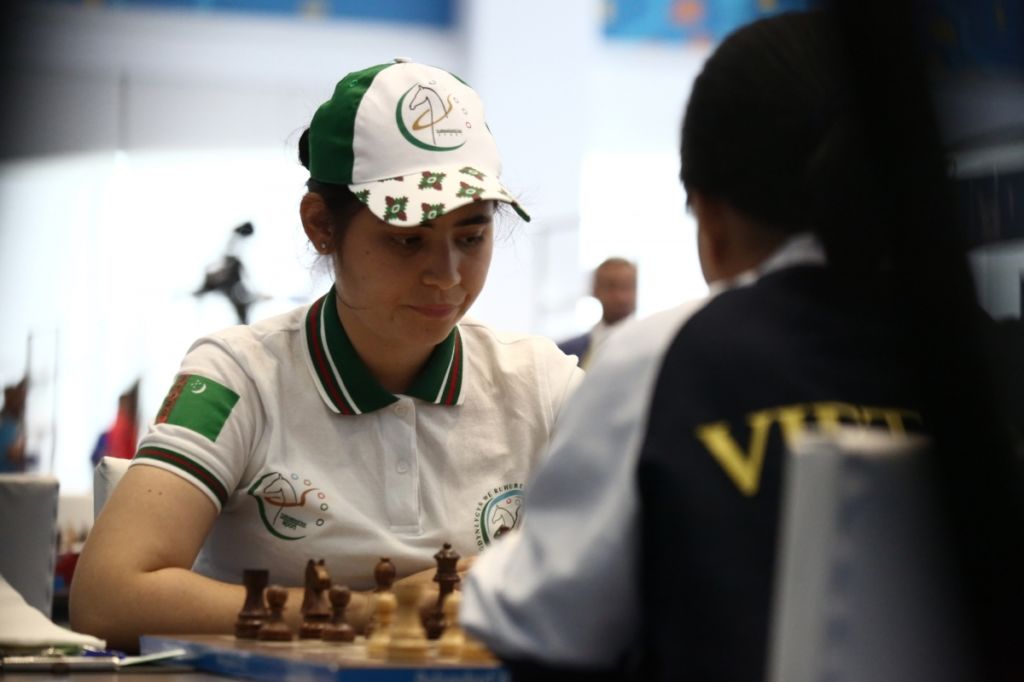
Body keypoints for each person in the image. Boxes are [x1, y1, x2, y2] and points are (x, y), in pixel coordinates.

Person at [461, 9, 1024, 681]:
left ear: (711, 217)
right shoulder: (992, 355)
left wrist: (491, 567)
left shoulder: (665, 359)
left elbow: (543, 623)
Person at [70, 59, 583, 652]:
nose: (447, 277)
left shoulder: (541, 382)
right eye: (407, 239)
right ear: (321, 225)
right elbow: (106, 597)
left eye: (471, 237)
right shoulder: (239, 376)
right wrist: (379, 611)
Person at [557, 257, 637, 368]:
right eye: (611, 287)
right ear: (595, 289)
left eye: (627, 287)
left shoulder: (653, 347)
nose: (620, 297)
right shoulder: (566, 353)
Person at [0, 377, 27, 472]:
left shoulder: (16, 423)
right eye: (19, 400)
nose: (22, 404)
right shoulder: (4, 421)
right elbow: (11, 452)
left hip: (12, 474)